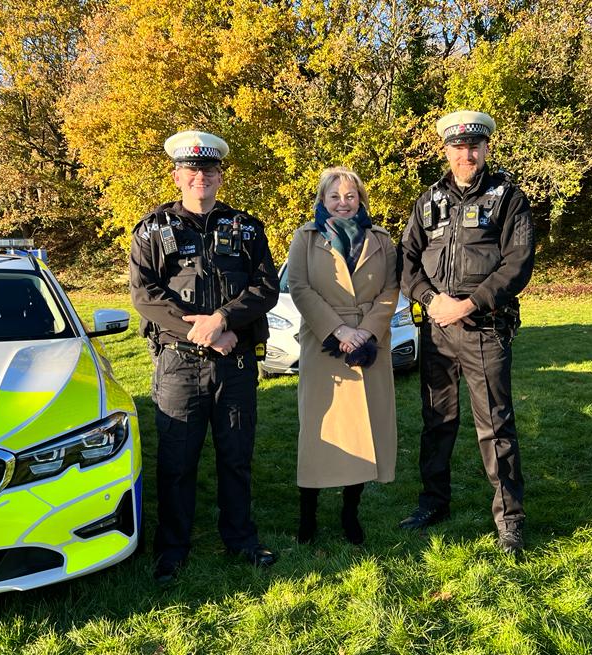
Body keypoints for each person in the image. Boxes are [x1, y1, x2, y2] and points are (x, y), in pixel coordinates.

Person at [129, 130, 280, 583]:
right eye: (192, 170)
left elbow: (265, 287)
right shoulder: (153, 230)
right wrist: (208, 332)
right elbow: (145, 296)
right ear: (177, 175)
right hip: (178, 363)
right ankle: (172, 549)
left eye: (209, 170)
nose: (201, 177)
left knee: (236, 455)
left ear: (219, 175)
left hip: (234, 364)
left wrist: (224, 319)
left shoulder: (247, 228)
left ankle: (240, 538)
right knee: (177, 460)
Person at [398, 110, 535, 554]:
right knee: (436, 422)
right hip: (438, 329)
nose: (466, 154)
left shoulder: (508, 197)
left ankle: (510, 519)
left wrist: (469, 303)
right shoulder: (428, 200)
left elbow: (518, 262)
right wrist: (428, 298)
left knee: (495, 426)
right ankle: (433, 502)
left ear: (485, 148)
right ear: (447, 150)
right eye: (458, 147)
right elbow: (407, 260)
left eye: (473, 146)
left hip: (484, 327)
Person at [287, 167, 399, 544]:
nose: (343, 203)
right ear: (323, 200)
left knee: (363, 431)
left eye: (350, 196)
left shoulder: (381, 239)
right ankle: (307, 517)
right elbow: (300, 288)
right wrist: (339, 331)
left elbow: (390, 288)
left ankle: (351, 514)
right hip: (324, 344)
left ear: (361, 199)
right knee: (318, 432)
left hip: (370, 345)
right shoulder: (305, 236)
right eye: (335, 196)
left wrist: (366, 331)